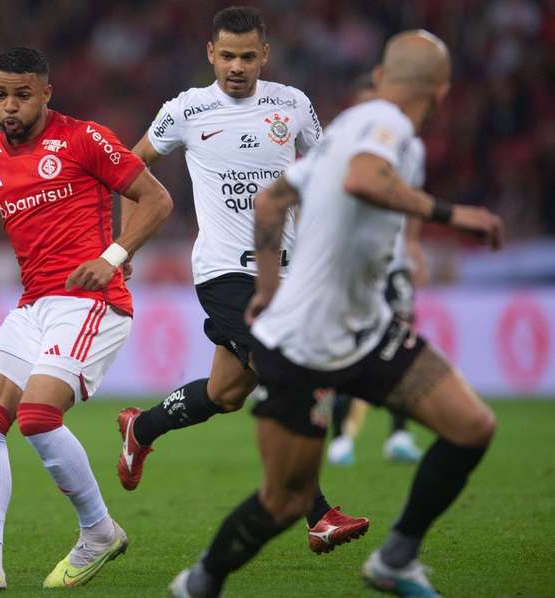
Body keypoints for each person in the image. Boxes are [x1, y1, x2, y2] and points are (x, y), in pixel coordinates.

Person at [169, 30, 502, 598]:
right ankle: (201, 582)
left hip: (365, 332)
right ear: (442, 91)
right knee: (286, 500)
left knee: (472, 426)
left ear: (379, 77)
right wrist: (454, 214)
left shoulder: (351, 126)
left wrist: (268, 288)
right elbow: (363, 179)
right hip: (305, 344)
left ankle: (395, 559)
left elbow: (272, 198)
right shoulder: (387, 129)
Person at [0, 47, 172, 590]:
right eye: (1, 95)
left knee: (39, 417)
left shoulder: (84, 139)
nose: (10, 106)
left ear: (46, 92)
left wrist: (112, 257)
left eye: (22, 94)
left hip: (93, 301)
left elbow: (156, 198)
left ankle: (99, 532)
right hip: (34, 308)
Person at [116, 5, 368, 554]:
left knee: (226, 392)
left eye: (247, 56)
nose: (236, 66)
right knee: (285, 378)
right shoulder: (186, 109)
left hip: (287, 274)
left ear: (264, 56)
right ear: (210, 53)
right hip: (224, 272)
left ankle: (142, 429)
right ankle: (318, 515)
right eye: (227, 55)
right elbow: (128, 171)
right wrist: (122, 246)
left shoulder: (293, 105)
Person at [327, 73, 427, 467]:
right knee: (348, 351)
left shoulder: (411, 147)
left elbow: (413, 198)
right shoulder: (342, 145)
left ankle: (399, 434)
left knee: (401, 347)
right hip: (354, 267)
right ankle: (340, 439)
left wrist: (414, 243)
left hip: (395, 263)